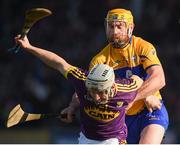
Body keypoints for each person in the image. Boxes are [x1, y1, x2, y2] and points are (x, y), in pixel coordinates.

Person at [60, 8, 169, 144]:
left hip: (150, 111)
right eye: (111, 26)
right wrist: (72, 106)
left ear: (131, 27)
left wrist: (139, 97)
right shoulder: (100, 60)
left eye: (119, 26)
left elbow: (159, 79)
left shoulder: (143, 47)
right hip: (121, 119)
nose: (114, 31)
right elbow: (87, 89)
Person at [15, 35, 147, 144]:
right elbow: (59, 63)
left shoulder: (125, 89)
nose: (96, 97)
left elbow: (139, 81)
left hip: (114, 140)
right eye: (92, 91)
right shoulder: (81, 80)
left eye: (100, 92)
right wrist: (30, 47)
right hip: (86, 139)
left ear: (111, 87)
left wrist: (147, 96)